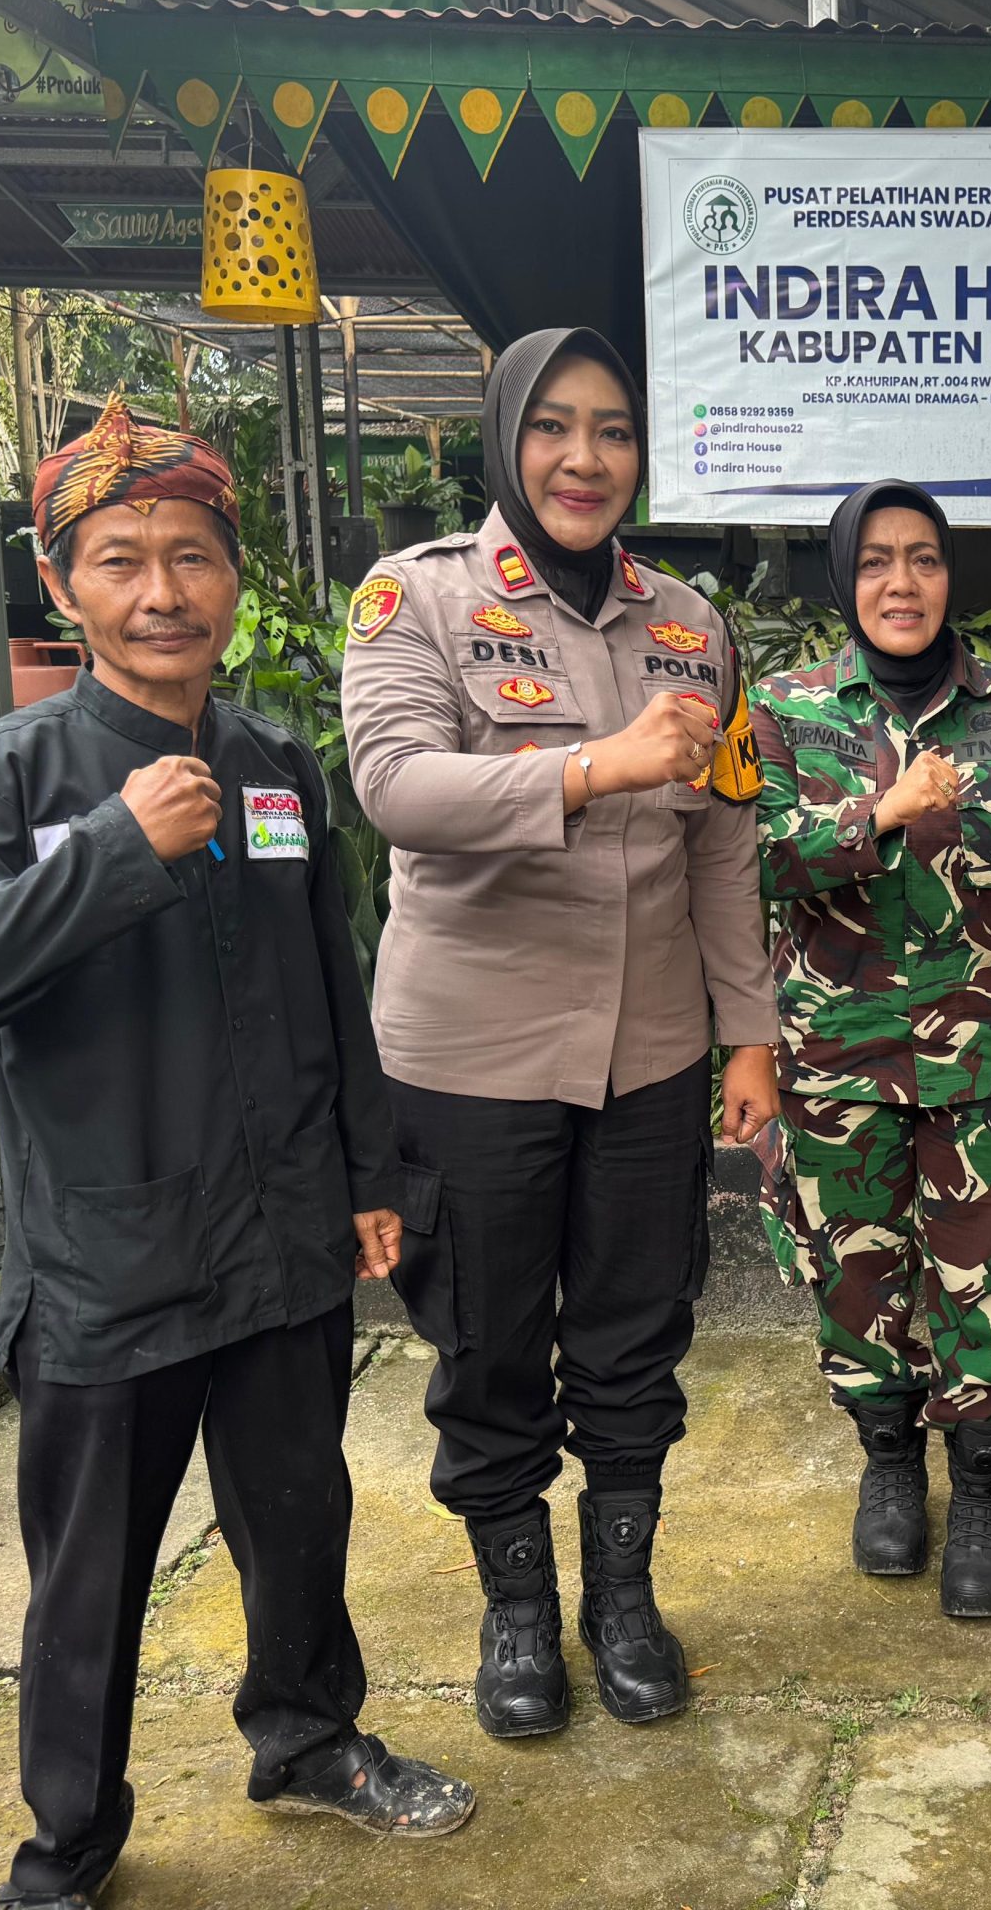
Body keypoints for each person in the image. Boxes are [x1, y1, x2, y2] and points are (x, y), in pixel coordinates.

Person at [0, 394, 474, 1910]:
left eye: (193, 555)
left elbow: (335, 979)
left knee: (300, 1518)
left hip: (281, 1237)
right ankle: (69, 1841)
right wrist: (108, 853)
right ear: (60, 582)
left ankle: (309, 1738)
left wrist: (370, 1179)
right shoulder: (4, 781)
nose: (162, 592)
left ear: (233, 575)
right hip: (108, 1256)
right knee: (91, 1576)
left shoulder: (275, 764)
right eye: (122, 560)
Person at [339, 326, 778, 1738]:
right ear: (504, 440)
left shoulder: (692, 626)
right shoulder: (416, 598)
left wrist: (750, 1033)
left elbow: (723, 842)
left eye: (613, 430)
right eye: (552, 426)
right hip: (471, 1057)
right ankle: (517, 1609)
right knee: (487, 1345)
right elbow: (396, 787)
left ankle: (621, 1600)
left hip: (649, 1053)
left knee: (635, 1336)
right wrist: (593, 767)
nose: (584, 458)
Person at [750, 480, 991, 1618]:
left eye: (922, 558)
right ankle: (892, 1468)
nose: (900, 583)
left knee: (990, 1277)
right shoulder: (783, 710)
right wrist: (882, 812)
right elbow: (748, 861)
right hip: (833, 1060)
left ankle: (987, 1492)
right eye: (874, 561)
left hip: (988, 1060)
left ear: (950, 576)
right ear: (842, 579)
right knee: (855, 1274)